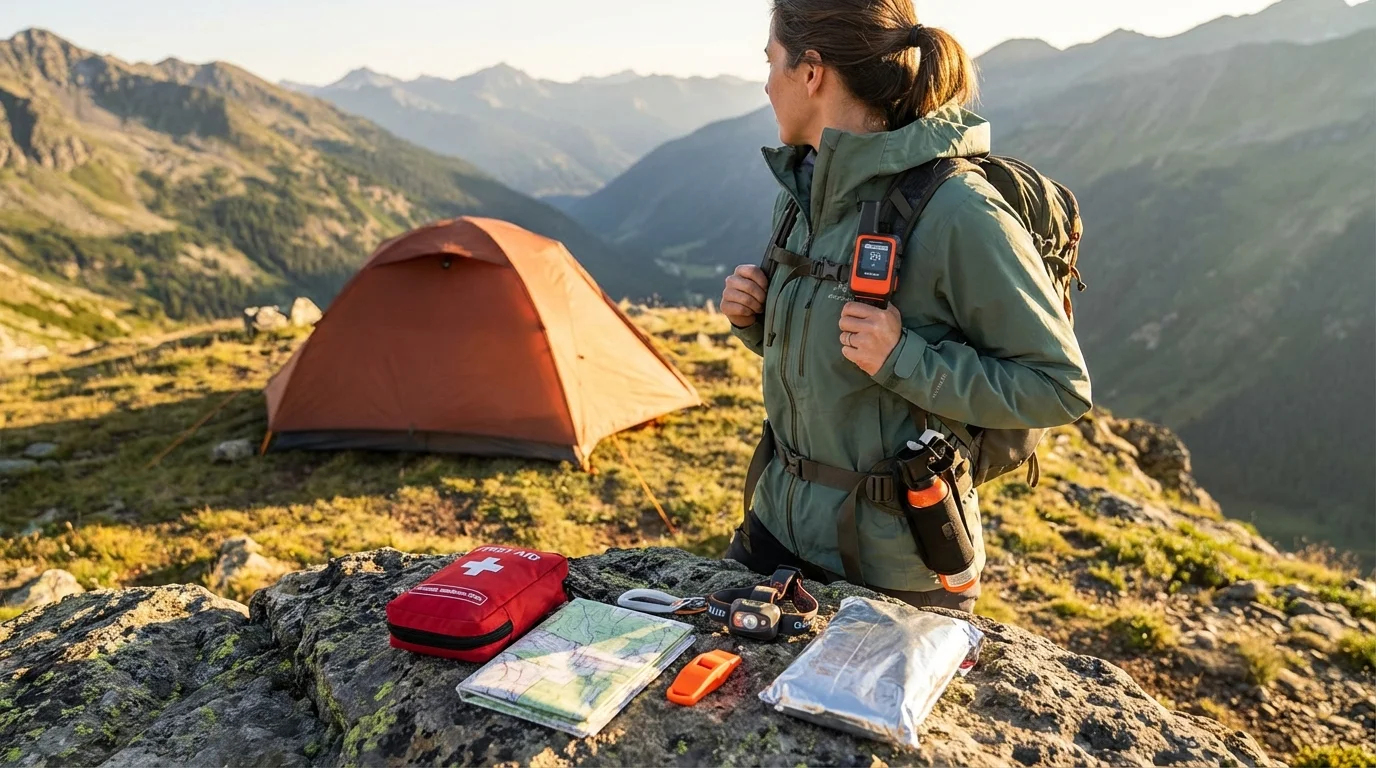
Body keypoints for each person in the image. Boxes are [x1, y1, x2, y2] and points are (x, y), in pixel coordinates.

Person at [719, 0, 1093, 612]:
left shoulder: (958, 211)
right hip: (773, 531)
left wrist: (905, 359)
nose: (765, 83)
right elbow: (836, 352)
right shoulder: (805, 191)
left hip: (895, 565)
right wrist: (756, 321)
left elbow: (1058, 386)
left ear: (811, 72)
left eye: (772, 61)